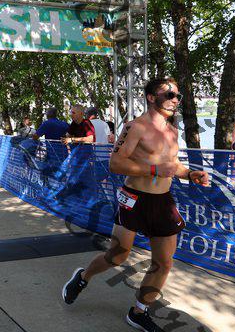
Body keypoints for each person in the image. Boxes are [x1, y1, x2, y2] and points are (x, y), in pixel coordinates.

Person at [62, 77, 209, 331]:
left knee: (164, 263)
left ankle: (139, 312)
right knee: (117, 256)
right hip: (134, 198)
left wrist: (189, 173)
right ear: (151, 97)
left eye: (177, 95)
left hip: (163, 201)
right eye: (169, 94)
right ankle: (83, 277)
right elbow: (116, 163)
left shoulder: (172, 131)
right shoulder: (135, 127)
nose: (175, 99)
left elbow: (171, 165)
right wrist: (154, 169)